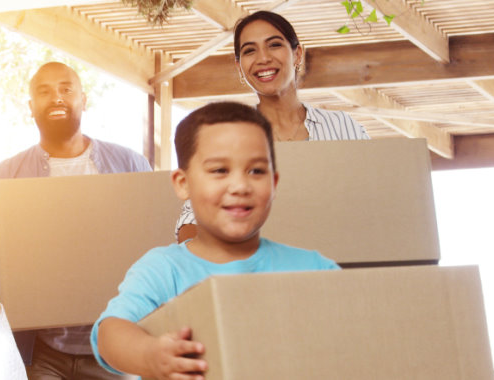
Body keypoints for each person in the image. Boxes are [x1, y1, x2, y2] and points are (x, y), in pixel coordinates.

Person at [91, 102, 340, 379]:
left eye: (256, 171)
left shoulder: (315, 270)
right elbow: (110, 333)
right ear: (182, 183)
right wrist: (150, 355)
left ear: (275, 182)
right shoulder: (162, 269)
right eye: (220, 170)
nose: (240, 186)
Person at [0, 61, 150, 380]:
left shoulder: (130, 165)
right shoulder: (4, 177)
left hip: (115, 350)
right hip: (39, 354)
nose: (56, 98)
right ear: (31, 107)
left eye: (66, 89)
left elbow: (158, 244)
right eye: (44, 92)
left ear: (84, 100)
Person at [173, 10, 371, 242]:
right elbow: (190, 221)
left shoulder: (343, 128)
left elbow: (373, 203)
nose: (263, 58)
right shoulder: (226, 139)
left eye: (274, 45)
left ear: (297, 54)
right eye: (249, 51)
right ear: (239, 66)